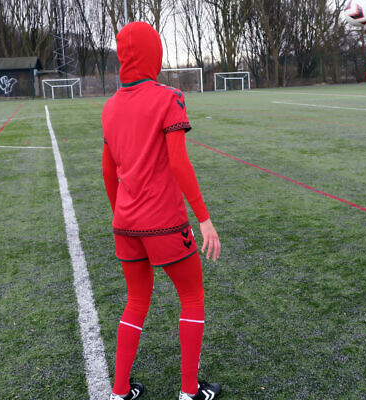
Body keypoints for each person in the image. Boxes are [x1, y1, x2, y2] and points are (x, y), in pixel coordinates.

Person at [101, 21, 222, 400]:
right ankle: (189, 391)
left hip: (126, 224)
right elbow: (179, 164)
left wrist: (120, 213)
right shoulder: (168, 97)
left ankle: (119, 392)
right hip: (165, 224)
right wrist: (204, 218)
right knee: (192, 296)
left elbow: (108, 170)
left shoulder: (109, 106)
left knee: (136, 301)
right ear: (156, 52)